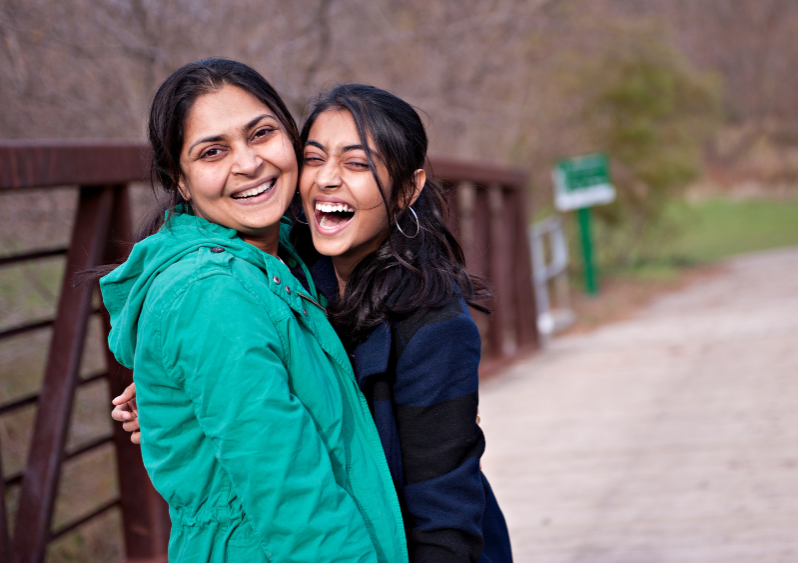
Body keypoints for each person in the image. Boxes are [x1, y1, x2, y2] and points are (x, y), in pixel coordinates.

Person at [114, 83, 514, 562]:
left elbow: (443, 512)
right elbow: (240, 355)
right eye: (314, 158)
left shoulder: (433, 325)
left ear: (407, 189)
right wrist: (176, 387)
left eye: (358, 163)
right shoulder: (285, 267)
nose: (327, 180)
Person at [101, 59, 407, 563]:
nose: (247, 164)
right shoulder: (211, 296)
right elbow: (292, 500)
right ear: (180, 180)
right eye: (213, 151)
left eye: (261, 133)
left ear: (291, 139)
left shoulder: (284, 260)